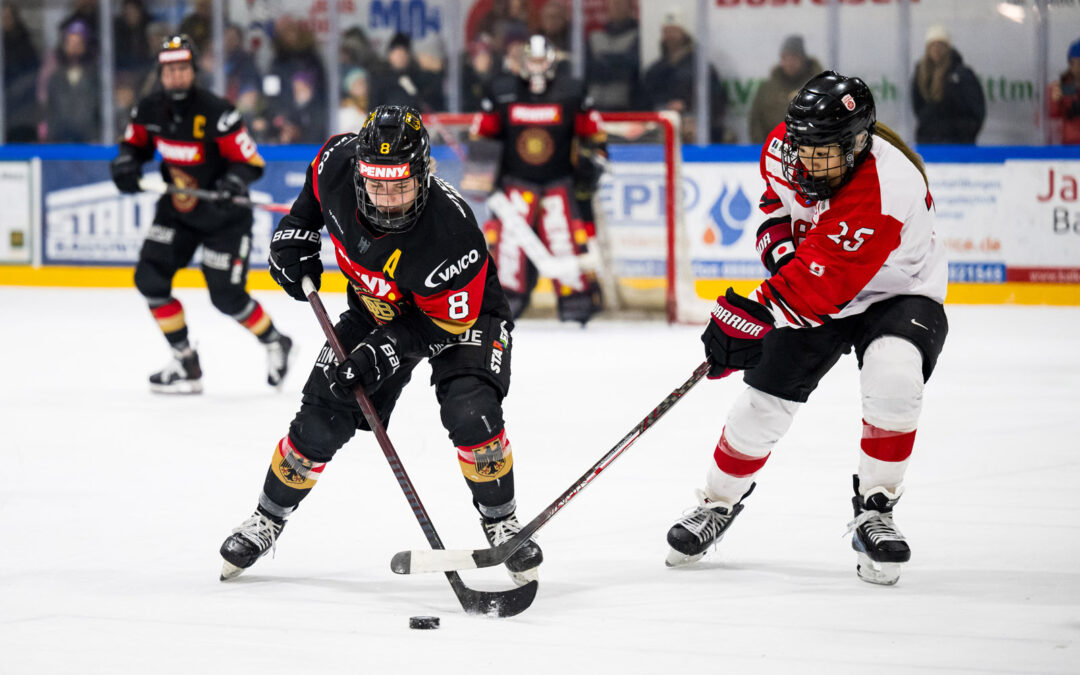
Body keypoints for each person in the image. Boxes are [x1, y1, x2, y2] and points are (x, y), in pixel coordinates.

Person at [218, 105, 543, 587]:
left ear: (423, 175)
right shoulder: (338, 163)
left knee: (470, 411)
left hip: (461, 316)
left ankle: (502, 521)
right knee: (319, 420)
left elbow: (444, 323)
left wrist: (386, 350)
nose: (387, 198)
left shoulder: (451, 233)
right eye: (376, 184)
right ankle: (267, 518)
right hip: (377, 308)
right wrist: (297, 229)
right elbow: (315, 184)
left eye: (400, 185)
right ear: (360, 173)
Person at [664, 72, 948, 586]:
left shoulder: (888, 186)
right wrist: (776, 245)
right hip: (820, 283)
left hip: (898, 292)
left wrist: (750, 314)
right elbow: (776, 203)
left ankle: (876, 509)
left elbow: (827, 284)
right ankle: (717, 503)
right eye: (804, 147)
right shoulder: (786, 148)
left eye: (826, 151)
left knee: (894, 380)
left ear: (859, 142)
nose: (810, 161)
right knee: (761, 402)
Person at [109, 35, 293, 394]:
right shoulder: (148, 110)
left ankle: (276, 341)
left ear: (193, 70)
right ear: (161, 73)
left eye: (182, 68)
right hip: (177, 212)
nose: (176, 76)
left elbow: (250, 163)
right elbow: (134, 146)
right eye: (169, 69)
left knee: (226, 297)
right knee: (150, 280)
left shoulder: (217, 112)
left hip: (224, 217)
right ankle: (185, 360)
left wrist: (233, 183)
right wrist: (126, 164)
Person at [472, 35, 607, 324]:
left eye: (540, 60)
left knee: (564, 243)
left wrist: (594, 160)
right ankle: (504, 305)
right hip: (513, 185)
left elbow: (593, 134)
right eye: (531, 60)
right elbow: (483, 134)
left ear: (552, 61)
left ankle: (577, 304)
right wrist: (481, 176)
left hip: (559, 182)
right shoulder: (501, 90)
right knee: (509, 250)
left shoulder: (571, 91)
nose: (536, 66)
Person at [641, 10, 727, 143]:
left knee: (692, 131)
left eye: (674, 31)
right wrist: (665, 105)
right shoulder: (655, 70)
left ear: (684, 33)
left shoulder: (701, 68)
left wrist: (687, 105)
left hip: (693, 121)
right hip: (662, 122)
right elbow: (645, 100)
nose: (670, 36)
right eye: (666, 31)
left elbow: (716, 99)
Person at [911, 25, 985, 144]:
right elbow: (918, 108)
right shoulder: (920, 75)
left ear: (947, 48)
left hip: (957, 144)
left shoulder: (962, 75)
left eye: (940, 45)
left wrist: (964, 134)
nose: (936, 49)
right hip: (928, 142)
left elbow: (976, 110)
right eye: (932, 45)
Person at [748, 35, 822, 144]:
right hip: (772, 153)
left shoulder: (818, 87)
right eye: (785, 57)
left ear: (803, 59)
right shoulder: (767, 88)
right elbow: (756, 122)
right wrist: (765, 148)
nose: (789, 62)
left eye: (794, 57)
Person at [585, 0, 641, 112]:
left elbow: (631, 68)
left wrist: (602, 60)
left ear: (630, 9)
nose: (616, 8)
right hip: (595, 105)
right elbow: (587, 69)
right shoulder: (595, 37)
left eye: (620, 4)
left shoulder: (638, 36)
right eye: (613, 4)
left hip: (625, 107)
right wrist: (617, 61)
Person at [1049, 38, 1080, 145]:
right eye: (1077, 63)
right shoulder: (1059, 87)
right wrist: (1055, 102)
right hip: (1068, 147)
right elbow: (1046, 119)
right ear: (1070, 64)